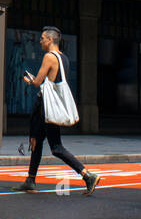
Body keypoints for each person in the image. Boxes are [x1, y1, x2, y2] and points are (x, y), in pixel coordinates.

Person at [14, 26, 98, 195]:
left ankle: (87, 175)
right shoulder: (64, 58)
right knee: (35, 142)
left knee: (56, 147)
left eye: (43, 38)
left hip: (45, 108)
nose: (40, 41)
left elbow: (38, 82)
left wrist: (29, 80)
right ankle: (30, 180)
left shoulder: (49, 57)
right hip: (46, 107)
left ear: (50, 40)